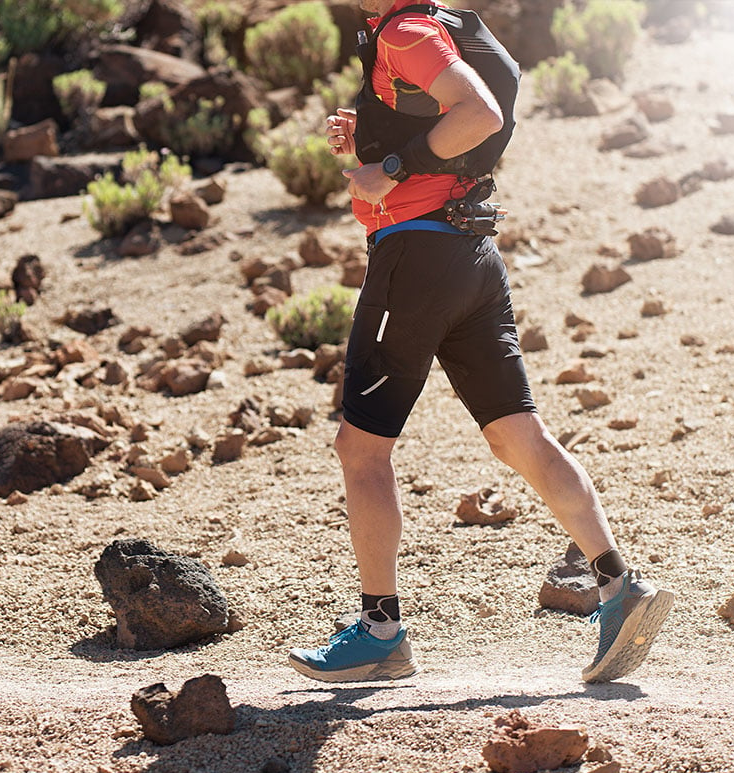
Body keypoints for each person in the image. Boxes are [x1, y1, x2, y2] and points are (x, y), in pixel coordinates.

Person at [287, 0, 674, 684]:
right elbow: (453, 118)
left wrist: (393, 167)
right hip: (470, 257)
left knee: (361, 448)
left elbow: (479, 113)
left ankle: (381, 632)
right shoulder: (436, 26)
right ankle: (620, 587)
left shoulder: (405, 32)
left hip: (417, 260)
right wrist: (373, 144)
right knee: (517, 437)